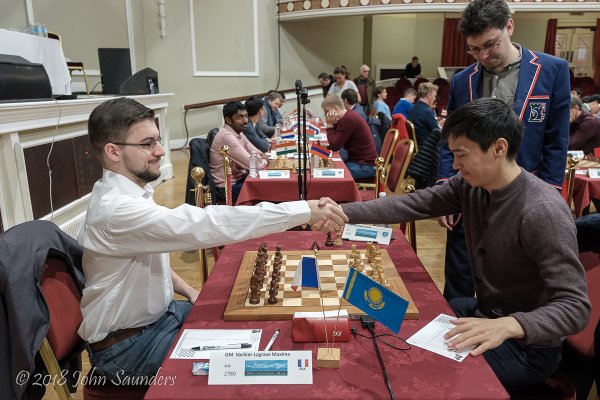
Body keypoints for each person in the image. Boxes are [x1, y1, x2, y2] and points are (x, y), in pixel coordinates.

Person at [78, 97, 348, 383]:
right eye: (147, 144)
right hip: (127, 349)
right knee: (248, 369)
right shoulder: (117, 210)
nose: (160, 151)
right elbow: (207, 224)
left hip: (161, 317)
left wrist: (190, 291)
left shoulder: (128, 193)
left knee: (261, 327)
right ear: (113, 152)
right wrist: (303, 209)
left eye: (158, 140)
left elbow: (145, 258)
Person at [338, 98, 590, 390]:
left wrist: (511, 325)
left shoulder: (541, 211)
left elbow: (575, 308)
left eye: (461, 155)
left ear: (499, 148)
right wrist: (343, 212)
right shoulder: (471, 185)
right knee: (396, 321)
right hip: (483, 314)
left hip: (527, 348)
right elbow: (416, 203)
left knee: (414, 370)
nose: (455, 165)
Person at [437, 0, 570, 301]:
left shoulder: (552, 70)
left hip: (523, 193)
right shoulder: (463, 79)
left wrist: (548, 194)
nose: (483, 56)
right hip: (469, 190)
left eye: (490, 45)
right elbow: (451, 138)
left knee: (516, 276)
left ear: (509, 27)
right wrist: (445, 181)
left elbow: (556, 141)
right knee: (458, 274)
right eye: (474, 49)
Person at [210, 101, 267, 204]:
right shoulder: (226, 136)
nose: (245, 121)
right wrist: (264, 160)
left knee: (268, 184)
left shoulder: (238, 132)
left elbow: (256, 151)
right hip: (227, 189)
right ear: (228, 120)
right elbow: (255, 165)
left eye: (246, 116)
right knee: (267, 189)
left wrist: (261, 156)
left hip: (241, 179)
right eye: (239, 117)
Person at [322, 95, 377, 180]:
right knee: (329, 167)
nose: (325, 115)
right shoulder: (347, 116)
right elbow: (334, 141)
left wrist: (329, 125)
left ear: (335, 109)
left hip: (366, 166)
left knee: (330, 175)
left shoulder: (349, 119)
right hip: (357, 161)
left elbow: (334, 146)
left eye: (326, 111)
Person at [407, 82, 439, 148]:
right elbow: (438, 134)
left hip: (417, 148)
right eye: (434, 96)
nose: (435, 99)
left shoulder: (412, 109)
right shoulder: (427, 111)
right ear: (429, 95)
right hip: (427, 150)